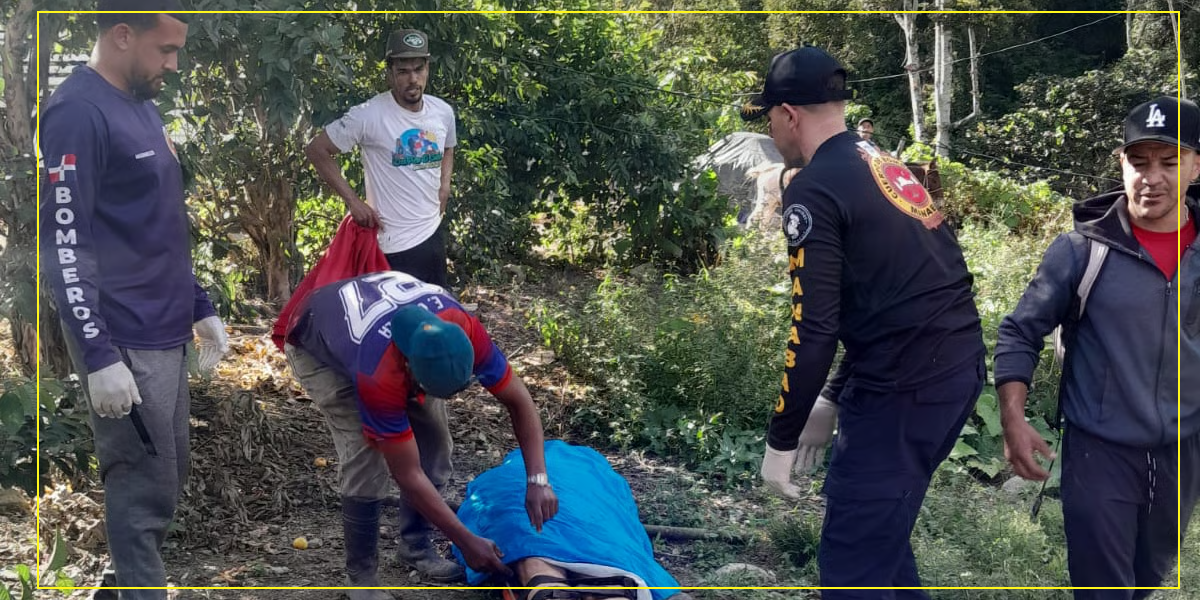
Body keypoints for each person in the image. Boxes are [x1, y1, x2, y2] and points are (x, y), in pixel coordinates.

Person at [741, 45, 986, 596]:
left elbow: (814, 326)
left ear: (788, 115)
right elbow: (899, 297)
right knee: (879, 541)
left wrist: (781, 440)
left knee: (853, 559)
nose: (774, 133)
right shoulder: (886, 165)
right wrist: (831, 396)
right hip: (952, 372)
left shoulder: (814, 186)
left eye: (771, 119)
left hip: (905, 390)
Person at [37, 2, 230, 599]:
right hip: (124, 334)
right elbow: (64, 244)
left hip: (166, 325)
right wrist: (96, 354)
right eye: (165, 50)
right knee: (141, 490)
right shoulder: (77, 112)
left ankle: (118, 590)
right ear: (123, 35)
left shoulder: (142, 106)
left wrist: (199, 304)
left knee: (167, 478)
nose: (173, 65)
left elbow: (159, 222)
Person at [995, 96, 1200, 598]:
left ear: (1196, 164)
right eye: (1139, 161)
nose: (1151, 177)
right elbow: (1020, 330)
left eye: (1169, 162)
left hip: (1183, 451)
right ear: (1121, 162)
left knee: (1147, 578)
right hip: (1099, 449)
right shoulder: (1082, 251)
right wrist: (1013, 420)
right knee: (1103, 588)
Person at [281, 271, 558, 596]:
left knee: (436, 443)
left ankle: (415, 546)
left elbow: (520, 400)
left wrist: (538, 479)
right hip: (317, 346)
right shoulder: (378, 373)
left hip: (390, 330)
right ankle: (363, 580)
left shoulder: (465, 329)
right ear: (410, 369)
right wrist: (465, 541)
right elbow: (407, 473)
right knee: (365, 457)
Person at [305, 28, 457, 290]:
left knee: (436, 322)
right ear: (389, 73)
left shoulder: (442, 112)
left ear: (428, 68)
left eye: (418, 69)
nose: (413, 79)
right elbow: (317, 150)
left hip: (433, 234)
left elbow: (448, 148)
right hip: (392, 246)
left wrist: (445, 184)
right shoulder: (369, 116)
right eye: (403, 71)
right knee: (399, 326)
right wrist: (353, 201)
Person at [455, 440, 694, 600]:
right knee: (601, 553)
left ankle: (543, 581)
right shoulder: (593, 470)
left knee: (532, 551)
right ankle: (608, 585)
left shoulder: (498, 476)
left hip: (516, 502)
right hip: (577, 507)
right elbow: (616, 510)